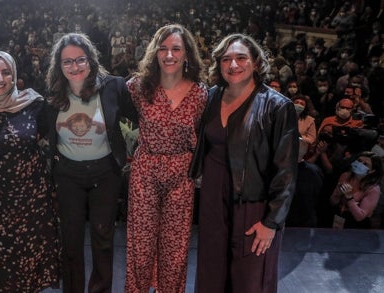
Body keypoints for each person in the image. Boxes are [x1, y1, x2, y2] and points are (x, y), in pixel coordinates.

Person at [189, 33, 299, 293]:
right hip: (213, 203)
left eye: (241, 58)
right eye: (226, 59)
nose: (233, 65)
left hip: (253, 207)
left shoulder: (278, 106)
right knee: (211, 276)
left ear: (257, 63)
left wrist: (272, 222)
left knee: (250, 282)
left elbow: (286, 172)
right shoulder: (211, 97)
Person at [45, 33, 137, 293]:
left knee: (103, 239)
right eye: (67, 62)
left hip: (105, 174)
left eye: (80, 60)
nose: (74, 67)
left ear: (90, 60)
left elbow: (138, 119)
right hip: (68, 175)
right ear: (59, 66)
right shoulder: (53, 94)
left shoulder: (113, 87)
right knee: (71, 242)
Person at [125, 24, 208, 293]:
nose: (169, 55)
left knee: (175, 248)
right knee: (141, 246)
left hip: (181, 175)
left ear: (187, 55)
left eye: (176, 49)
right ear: (155, 53)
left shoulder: (200, 94)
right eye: (163, 49)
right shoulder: (138, 88)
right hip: (145, 171)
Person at [0, 51, 61, 292]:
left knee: (32, 261)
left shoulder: (34, 104)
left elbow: (44, 138)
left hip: (34, 197)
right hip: (0, 201)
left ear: (14, 75)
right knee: (6, 266)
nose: (0, 78)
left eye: (6, 72)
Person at [330, 151, 382, 229]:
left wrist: (349, 197)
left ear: (371, 171)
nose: (360, 164)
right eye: (359, 161)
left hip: (356, 226)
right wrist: (338, 194)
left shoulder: (373, 189)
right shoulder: (345, 176)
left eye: (365, 164)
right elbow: (332, 202)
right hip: (338, 217)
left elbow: (360, 217)